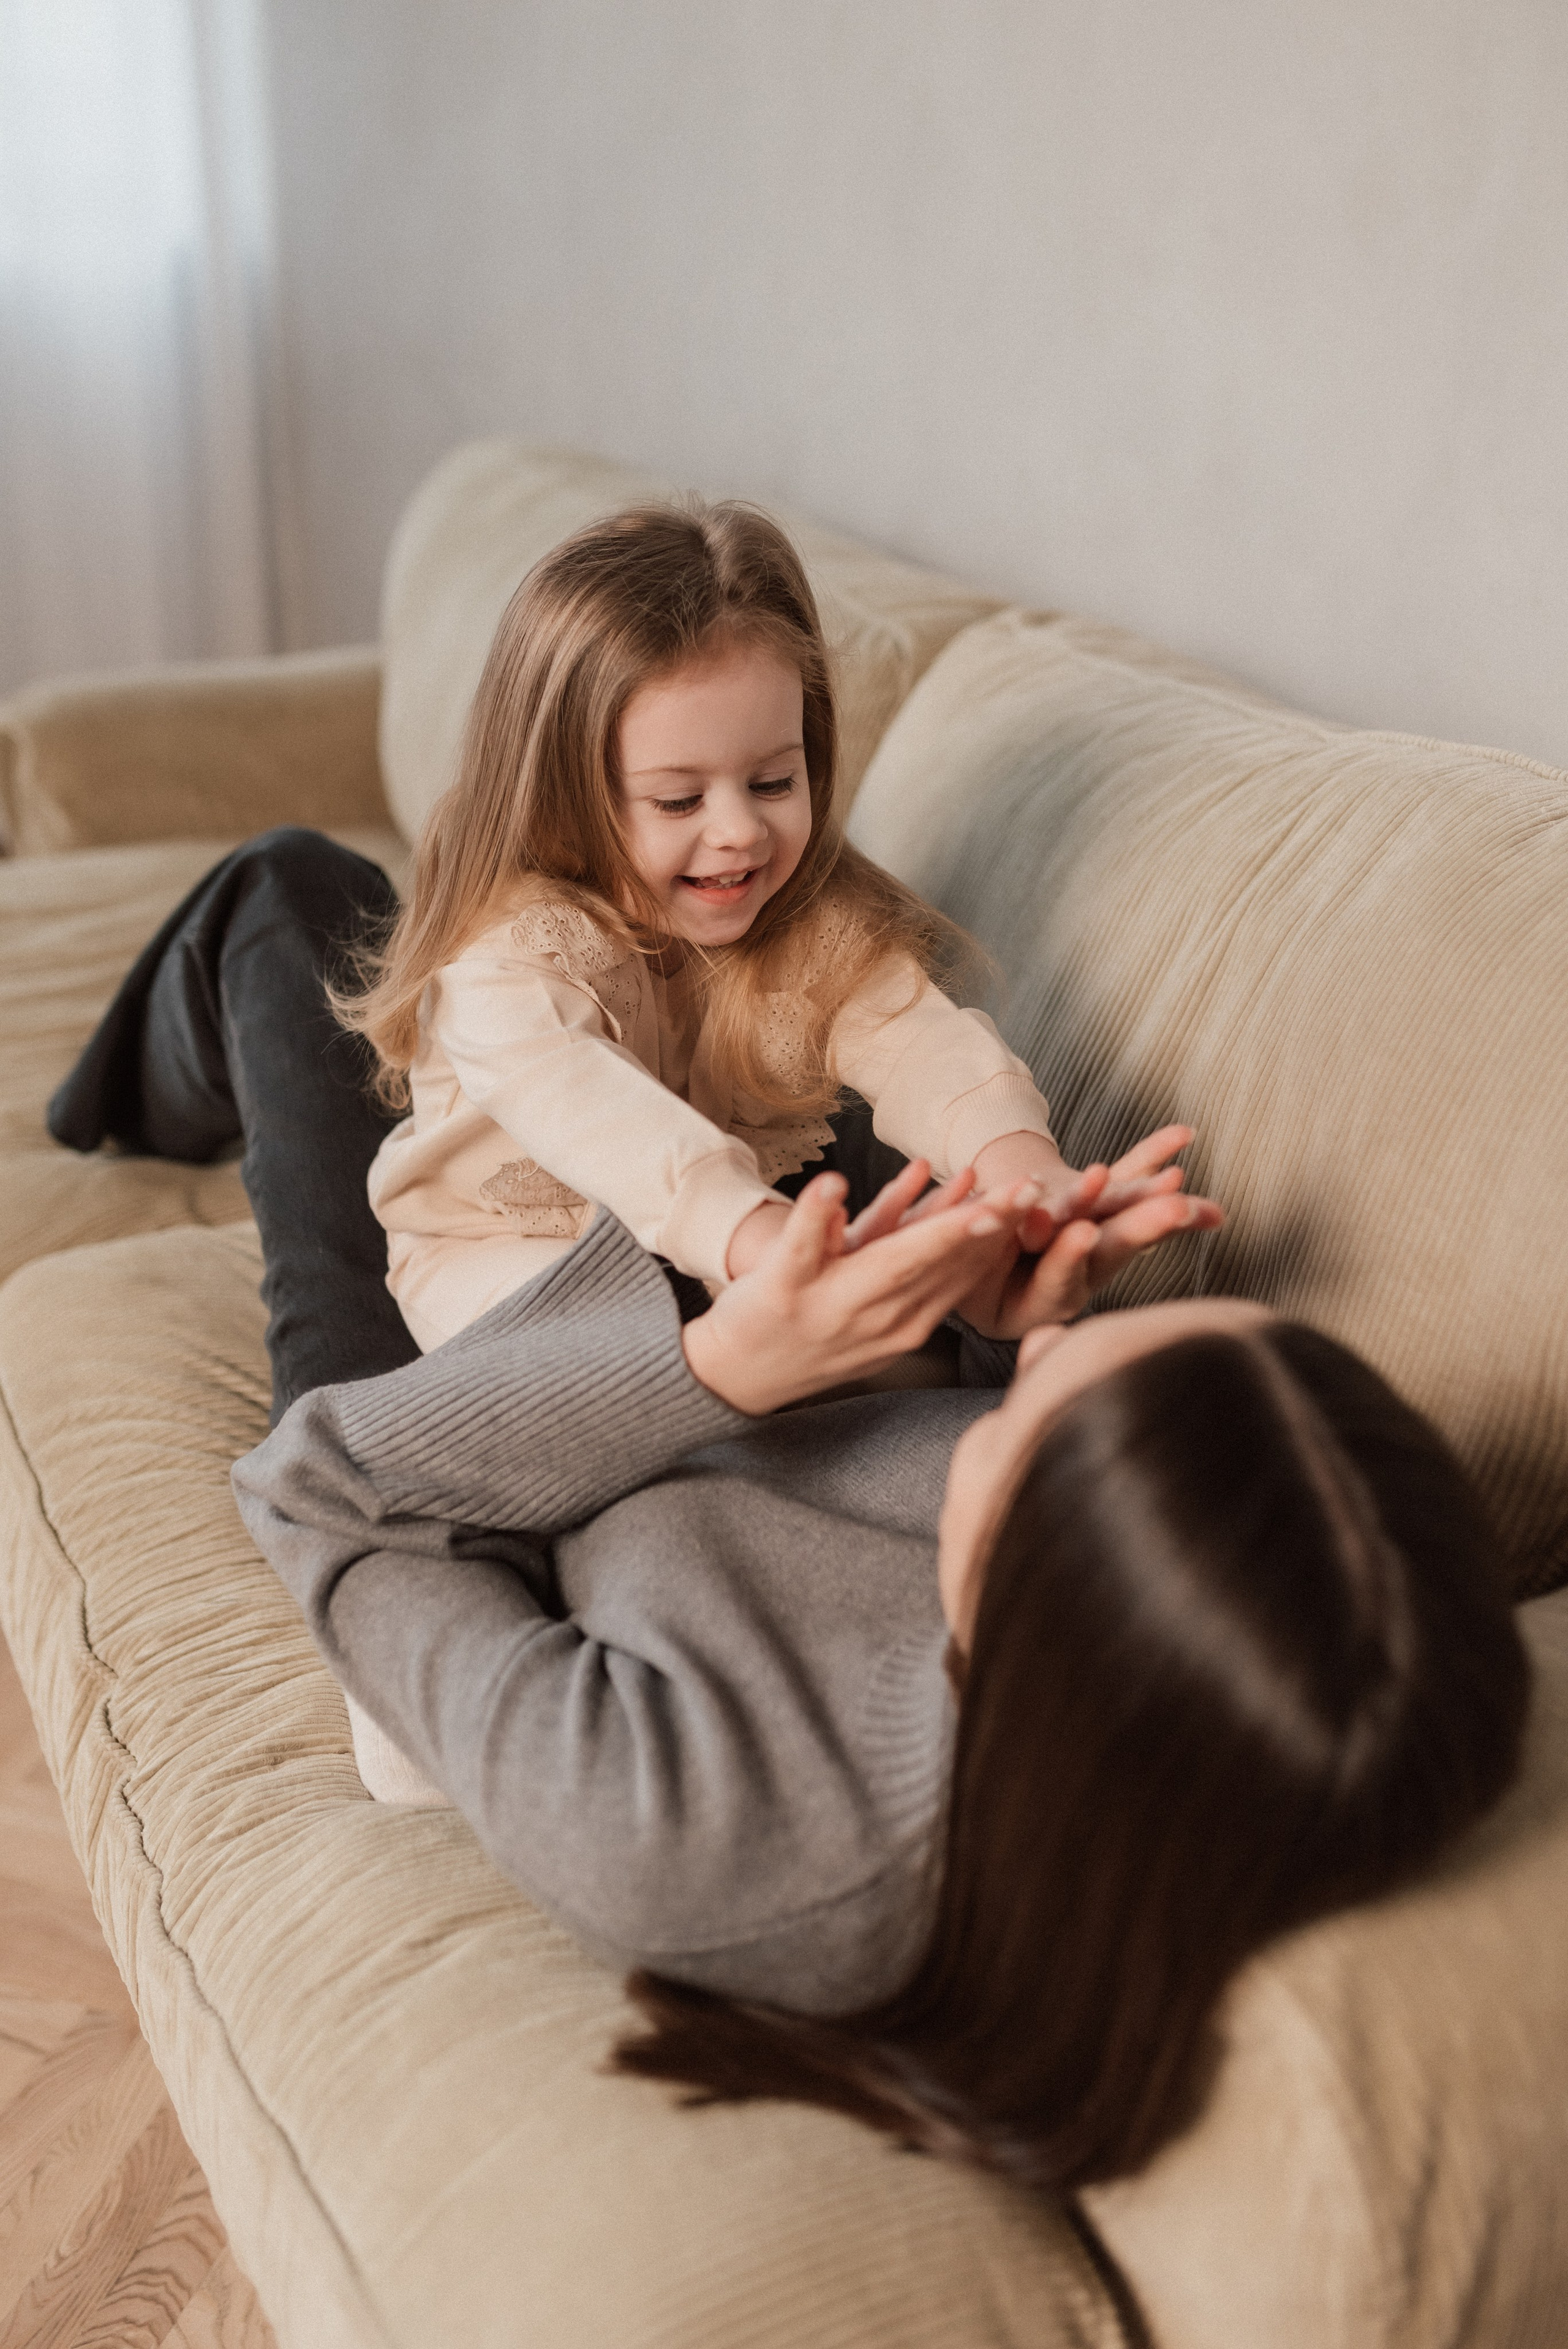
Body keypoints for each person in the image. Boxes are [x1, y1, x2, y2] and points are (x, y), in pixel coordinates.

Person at [52, 827, 1528, 2194]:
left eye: (1047, 1402)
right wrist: (1015, 1319)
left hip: (470, 1410)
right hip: (731, 1330)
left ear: (1023, 1582)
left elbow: (328, 1496)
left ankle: (95, 1100)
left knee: (293, 899)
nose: (1036, 1374)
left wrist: (713, 1368)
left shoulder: (691, 1835)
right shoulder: (1203, 1614)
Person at [331, 499, 1194, 1355]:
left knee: (842, 1340)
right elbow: (598, 1115)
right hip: (494, 1256)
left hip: (717, 1249)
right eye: (680, 799)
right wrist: (767, 1243)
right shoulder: (506, 960)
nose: (740, 830)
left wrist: (1023, 1174)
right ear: (558, 798)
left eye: (775, 783)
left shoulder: (802, 921)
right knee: (623, 1349)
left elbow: (923, 1043)